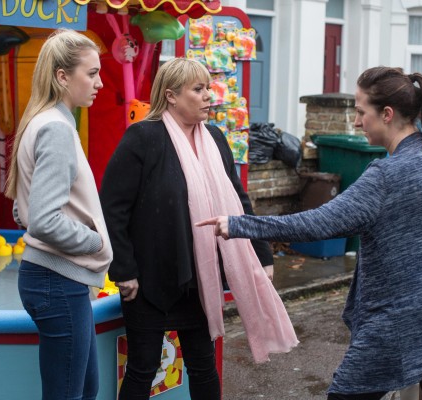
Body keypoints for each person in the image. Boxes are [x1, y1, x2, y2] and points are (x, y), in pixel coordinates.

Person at [197, 66, 422, 400]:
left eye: (359, 112)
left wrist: (238, 224)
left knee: (345, 395)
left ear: (386, 114)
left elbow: (318, 223)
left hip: (406, 314)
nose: (355, 122)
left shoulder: (387, 174)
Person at [99, 57, 298, 400]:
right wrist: (124, 271)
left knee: (204, 366)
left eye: (208, 87)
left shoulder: (216, 138)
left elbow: (238, 200)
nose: (209, 95)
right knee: (142, 368)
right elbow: (113, 209)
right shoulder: (143, 137)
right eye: (199, 88)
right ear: (172, 95)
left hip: (200, 278)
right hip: (149, 281)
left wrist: (262, 254)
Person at [5, 29, 113, 400]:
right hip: (57, 281)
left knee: (83, 389)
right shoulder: (56, 128)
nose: (100, 82)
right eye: (92, 73)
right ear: (63, 76)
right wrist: (96, 241)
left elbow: (22, 210)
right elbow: (42, 220)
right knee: (70, 393)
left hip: (52, 279)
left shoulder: (42, 121)